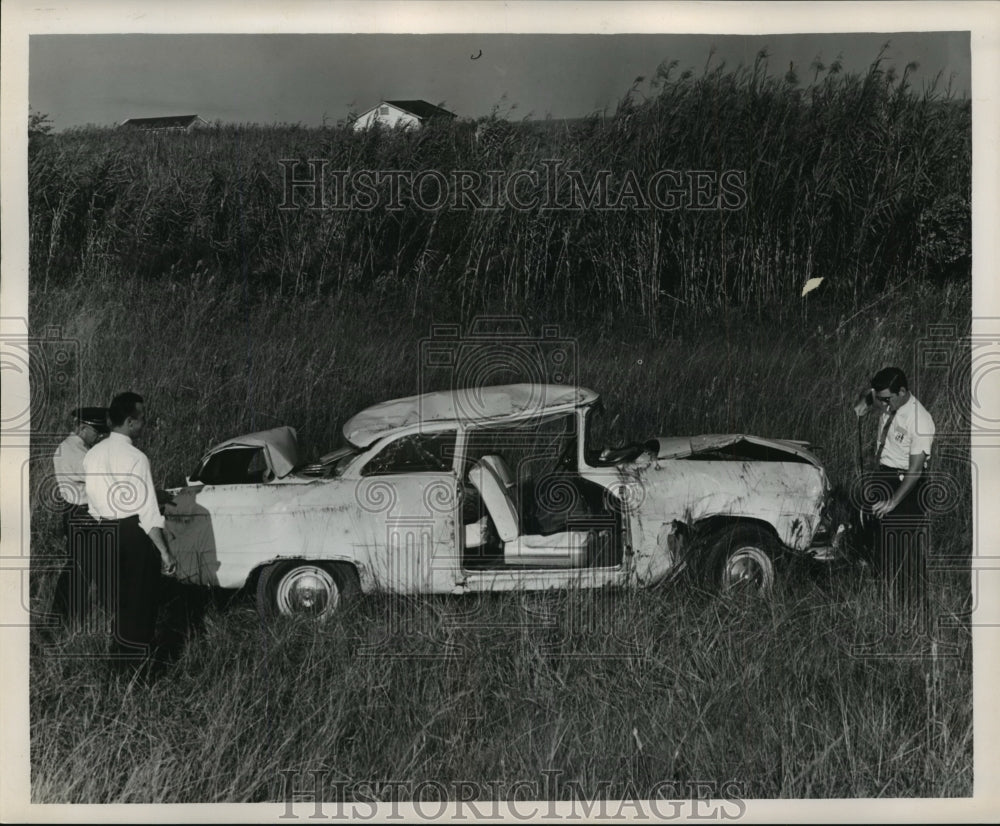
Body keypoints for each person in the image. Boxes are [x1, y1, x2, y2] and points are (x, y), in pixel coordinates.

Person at [82, 392, 177, 671]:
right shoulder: (137, 457)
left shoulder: (93, 455)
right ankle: (136, 672)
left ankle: (117, 665)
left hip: (103, 532)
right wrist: (165, 553)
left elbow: (94, 504)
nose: (143, 425)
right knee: (140, 602)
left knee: (119, 602)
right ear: (129, 422)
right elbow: (148, 513)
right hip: (131, 534)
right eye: (141, 420)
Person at [862, 366, 935, 629]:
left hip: (907, 486)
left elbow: (916, 472)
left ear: (902, 392)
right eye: (879, 398)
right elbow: (869, 396)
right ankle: (888, 601)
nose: (881, 404)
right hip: (885, 476)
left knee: (905, 549)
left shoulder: (920, 420)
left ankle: (917, 612)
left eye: (886, 399)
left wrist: (893, 502)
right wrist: (865, 401)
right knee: (883, 544)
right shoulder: (889, 402)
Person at [49, 406, 109, 628]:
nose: (101, 435)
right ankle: (61, 620)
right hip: (81, 514)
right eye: (97, 431)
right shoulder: (74, 452)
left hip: (79, 514)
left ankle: (67, 617)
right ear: (83, 428)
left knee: (81, 567)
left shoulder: (79, 448)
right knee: (79, 569)